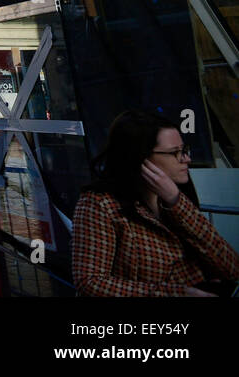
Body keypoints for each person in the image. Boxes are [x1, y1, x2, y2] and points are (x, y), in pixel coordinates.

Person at [73, 109, 239, 296]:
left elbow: (232, 268)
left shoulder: (175, 198)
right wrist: (177, 294)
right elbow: (89, 282)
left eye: (184, 150)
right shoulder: (100, 204)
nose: (187, 159)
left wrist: (176, 201)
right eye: (175, 152)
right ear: (140, 158)